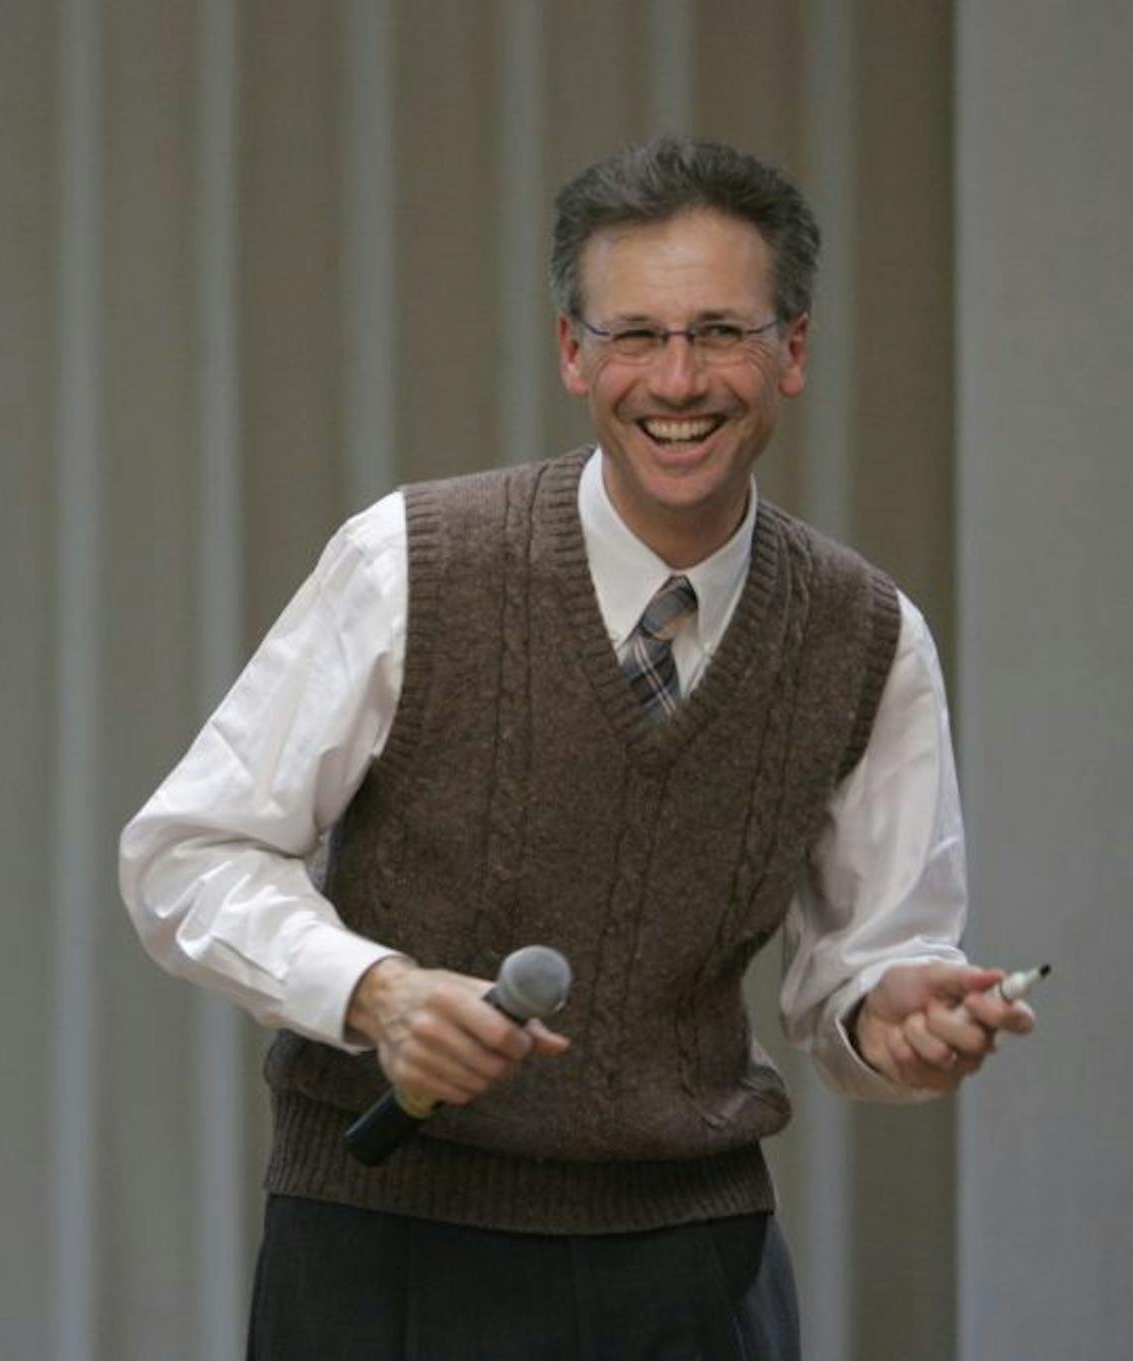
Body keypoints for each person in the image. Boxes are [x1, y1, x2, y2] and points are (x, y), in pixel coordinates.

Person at [117, 136, 1035, 1360]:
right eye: (635, 336)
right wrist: (376, 991)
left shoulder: (869, 635)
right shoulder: (411, 562)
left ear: (794, 352)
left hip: (694, 1265)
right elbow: (186, 854)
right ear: (572, 353)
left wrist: (899, 1016)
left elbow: (862, 980)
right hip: (385, 1244)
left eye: (722, 331)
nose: (678, 377)